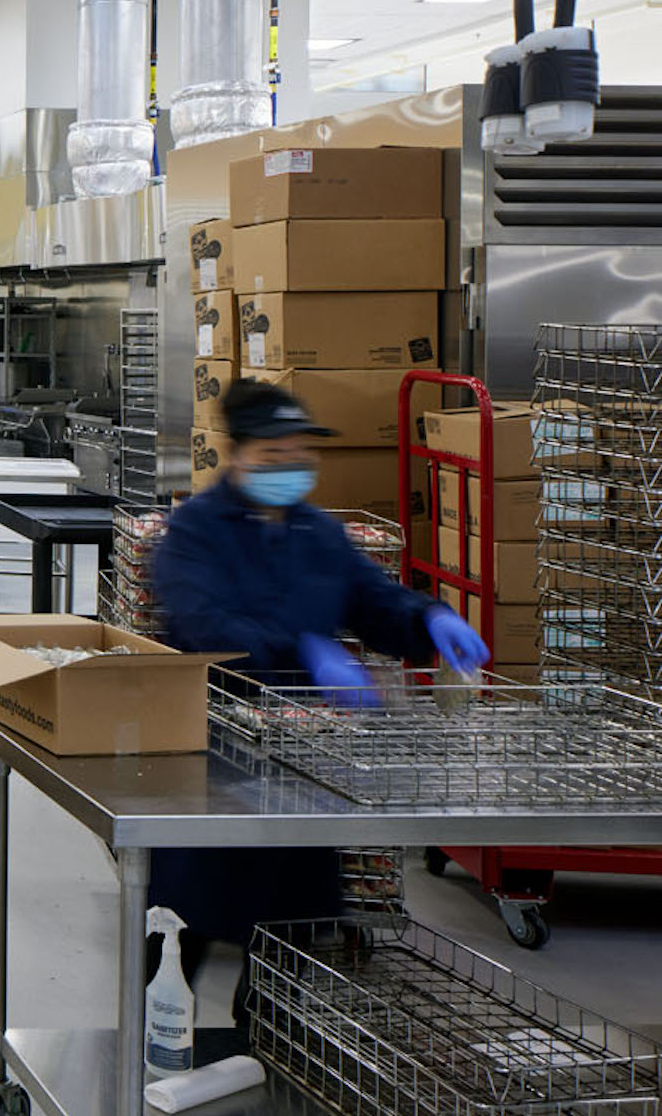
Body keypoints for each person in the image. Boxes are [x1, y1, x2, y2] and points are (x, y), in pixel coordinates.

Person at [147, 377, 488, 1021]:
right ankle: (153, 1059)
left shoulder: (318, 533)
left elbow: (374, 601)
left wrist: (430, 620)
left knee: (292, 934)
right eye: (271, 454)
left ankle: (270, 1051)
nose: (287, 466)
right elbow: (202, 626)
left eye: (299, 453)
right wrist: (306, 649)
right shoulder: (194, 533)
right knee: (178, 938)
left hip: (305, 767)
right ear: (238, 454)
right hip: (211, 764)